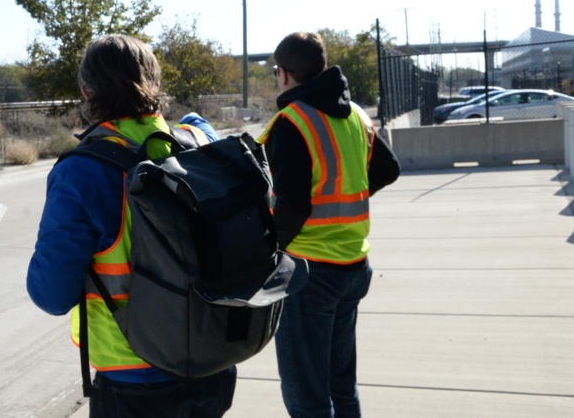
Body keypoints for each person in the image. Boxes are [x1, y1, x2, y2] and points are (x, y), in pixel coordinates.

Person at [27, 34, 236, 418]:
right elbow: (200, 125)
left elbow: (51, 294)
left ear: (87, 91)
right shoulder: (196, 144)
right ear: (155, 84)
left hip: (133, 380)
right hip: (213, 366)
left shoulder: (82, 172)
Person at [257, 31, 400, 418]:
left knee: (307, 395)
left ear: (284, 74)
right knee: (341, 384)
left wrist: (267, 254)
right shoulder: (356, 115)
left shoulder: (292, 122)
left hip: (309, 273)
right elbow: (389, 169)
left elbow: (293, 205)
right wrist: (347, 195)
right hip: (354, 266)